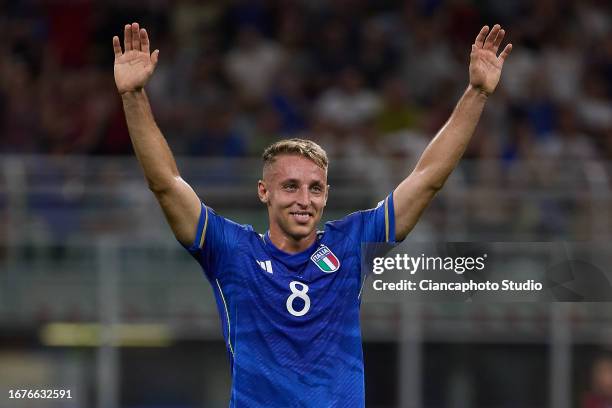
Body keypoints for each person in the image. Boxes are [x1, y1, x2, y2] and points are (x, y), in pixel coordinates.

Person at [113, 22, 512, 407]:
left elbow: (426, 179)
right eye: (290, 187)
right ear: (263, 192)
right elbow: (165, 183)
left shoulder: (351, 245)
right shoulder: (231, 252)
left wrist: (477, 92)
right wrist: (134, 96)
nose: (304, 199)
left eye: (315, 188)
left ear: (325, 197)